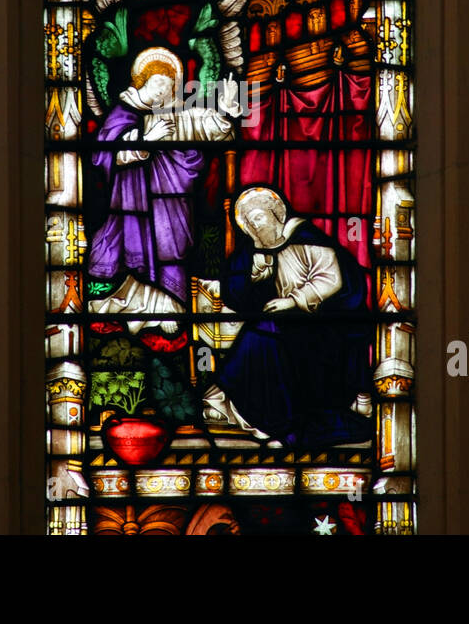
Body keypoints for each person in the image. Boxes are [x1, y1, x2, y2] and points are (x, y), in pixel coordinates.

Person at [200, 187, 374, 448]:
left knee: (264, 336)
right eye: (249, 223)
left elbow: (332, 280)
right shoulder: (256, 251)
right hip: (286, 323)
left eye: (258, 218)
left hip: (324, 324)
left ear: (276, 215)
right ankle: (256, 414)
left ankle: (264, 416)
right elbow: (239, 294)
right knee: (260, 334)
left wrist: (293, 301)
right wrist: (256, 277)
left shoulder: (308, 239)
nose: (255, 227)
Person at [87, 47, 238, 333]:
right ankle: (139, 308)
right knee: (136, 251)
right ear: (142, 82)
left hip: (174, 203)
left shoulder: (179, 114)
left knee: (175, 248)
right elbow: (103, 155)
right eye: (158, 84)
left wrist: (228, 113)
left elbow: (209, 126)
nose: (162, 94)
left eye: (169, 88)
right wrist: (144, 141)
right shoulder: (124, 111)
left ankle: (172, 306)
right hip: (133, 203)